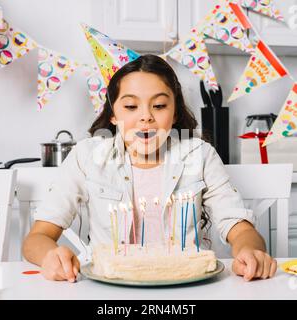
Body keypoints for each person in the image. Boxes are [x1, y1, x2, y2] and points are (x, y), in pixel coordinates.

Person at [23, 54, 277, 283]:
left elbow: (240, 227)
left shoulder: (199, 155)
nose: (146, 117)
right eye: (131, 106)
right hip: (107, 288)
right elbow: (37, 238)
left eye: (159, 106)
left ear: (175, 112)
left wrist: (249, 250)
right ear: (113, 114)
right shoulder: (87, 156)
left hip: (187, 287)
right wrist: (50, 256)